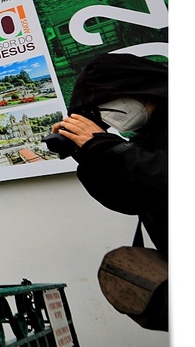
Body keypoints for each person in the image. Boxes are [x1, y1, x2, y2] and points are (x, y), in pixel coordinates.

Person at [50, 52, 167, 327]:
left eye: (110, 103)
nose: (110, 114)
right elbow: (129, 200)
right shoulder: (145, 141)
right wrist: (91, 156)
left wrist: (109, 149)